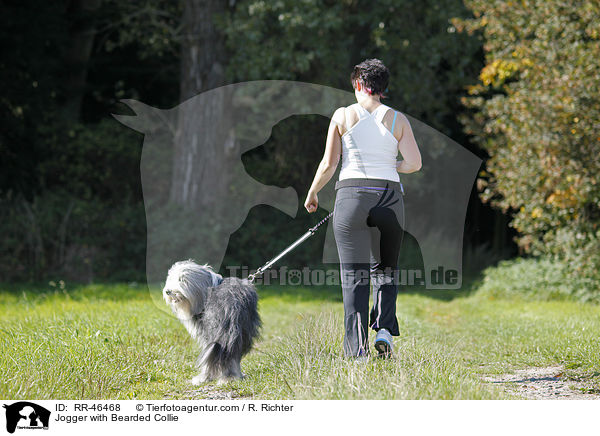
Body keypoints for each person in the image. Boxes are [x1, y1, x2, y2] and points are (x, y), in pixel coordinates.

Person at [304, 58, 422, 358]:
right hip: (389, 198)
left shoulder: (343, 115)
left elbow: (330, 163)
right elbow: (414, 163)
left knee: (354, 277)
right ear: (383, 88)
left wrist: (313, 192)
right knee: (385, 269)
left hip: (351, 197)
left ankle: (357, 351)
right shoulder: (398, 120)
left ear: (359, 84)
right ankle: (384, 329)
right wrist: (391, 164)